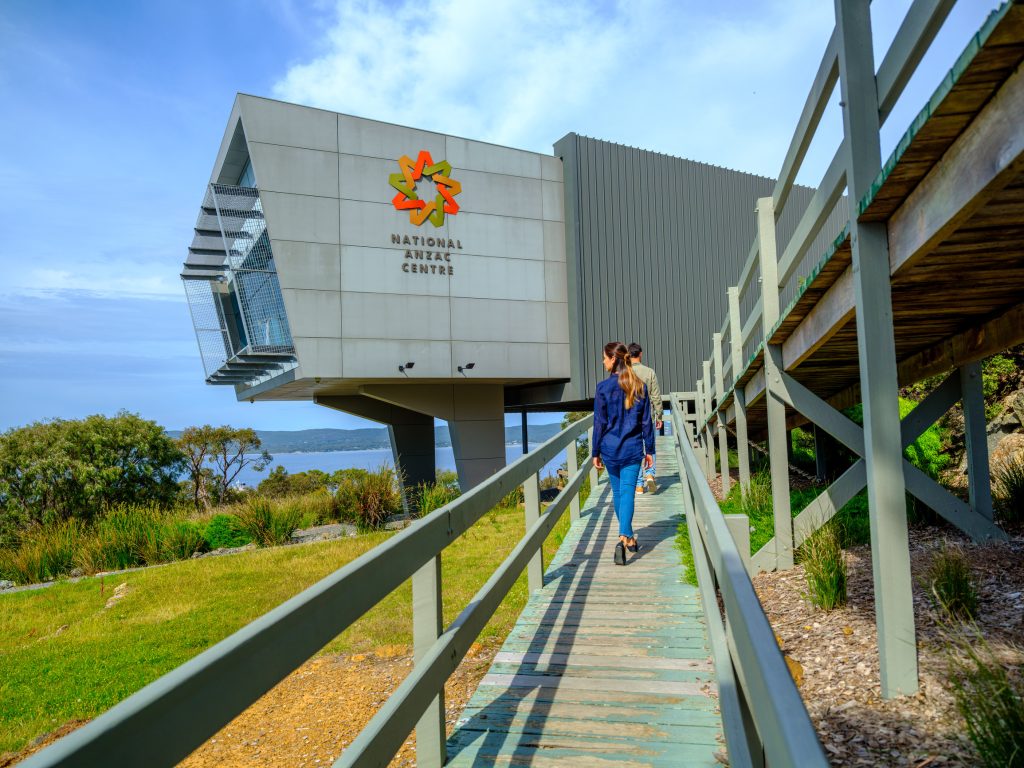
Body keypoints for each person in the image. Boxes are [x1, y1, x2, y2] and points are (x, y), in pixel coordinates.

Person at [591, 341, 655, 565]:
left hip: (609, 448)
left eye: (604, 358)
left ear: (613, 359)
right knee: (626, 492)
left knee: (619, 493)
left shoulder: (602, 388)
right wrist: (651, 450)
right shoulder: (639, 386)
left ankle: (624, 536)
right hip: (632, 448)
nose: (603, 362)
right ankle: (626, 537)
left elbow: (599, 423)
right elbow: (646, 422)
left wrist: (595, 451)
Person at [628, 343, 663, 495]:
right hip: (646, 415)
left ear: (628, 355)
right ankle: (650, 473)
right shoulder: (649, 372)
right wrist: (659, 415)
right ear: (640, 354)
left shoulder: (625, 373)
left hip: (629, 418)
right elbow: (655, 395)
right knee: (649, 444)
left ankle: (639, 485)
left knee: (635, 448)